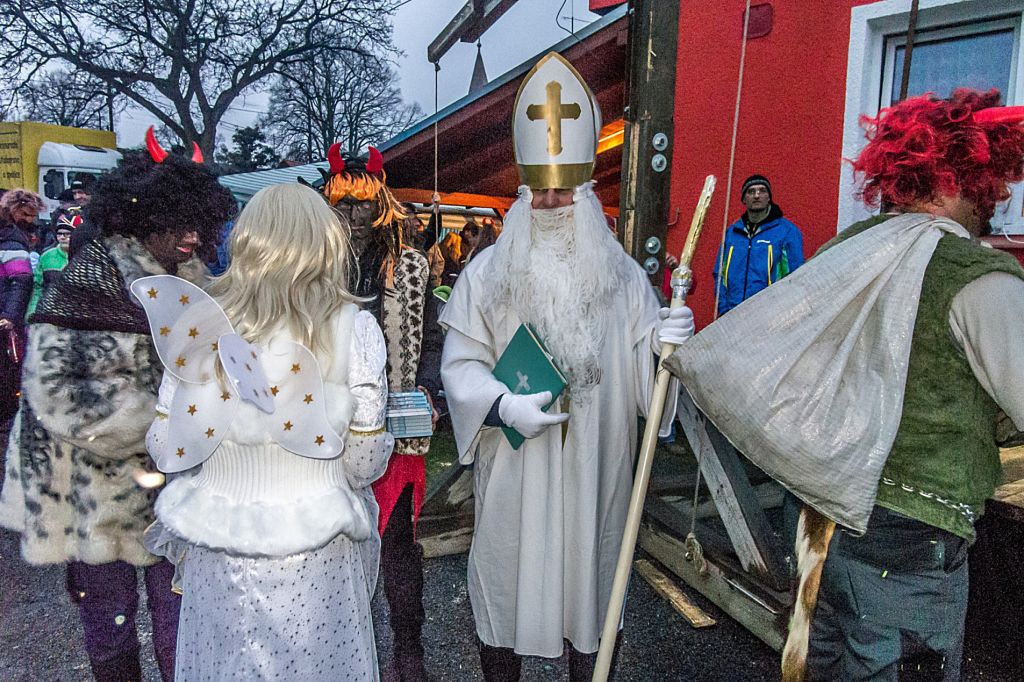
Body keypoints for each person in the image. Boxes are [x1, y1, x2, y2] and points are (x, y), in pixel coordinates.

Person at [438, 52, 694, 681]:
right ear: (523, 195)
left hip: (595, 468)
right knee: (504, 585)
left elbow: (648, 390)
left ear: (586, 195)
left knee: (593, 591)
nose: (552, 202)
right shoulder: (487, 275)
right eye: (540, 191)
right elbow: (460, 365)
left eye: (565, 191)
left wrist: (667, 347)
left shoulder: (625, 280)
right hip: (515, 471)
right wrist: (501, 405)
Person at [0, 138, 235, 681]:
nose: (193, 236)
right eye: (178, 223)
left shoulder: (194, 283)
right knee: (111, 623)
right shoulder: (90, 280)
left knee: (183, 615)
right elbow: (57, 396)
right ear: (143, 217)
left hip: (172, 484)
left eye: (198, 223)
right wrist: (167, 424)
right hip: (93, 490)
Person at [140, 182, 392, 680]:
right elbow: (363, 464)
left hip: (220, 547)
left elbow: (166, 445)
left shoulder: (198, 324)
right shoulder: (353, 328)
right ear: (324, 244)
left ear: (246, 242)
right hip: (315, 553)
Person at [321, 144, 439, 682]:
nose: (353, 215)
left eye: (362, 204)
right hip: (330, 432)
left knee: (397, 546)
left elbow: (431, 338)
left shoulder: (411, 267)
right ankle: (346, 655)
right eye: (342, 205)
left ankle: (408, 652)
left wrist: (430, 388)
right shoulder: (314, 270)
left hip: (396, 431)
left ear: (381, 205)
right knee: (337, 542)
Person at [713, 174, 804, 316]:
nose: (756, 195)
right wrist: (724, 310)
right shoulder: (732, 233)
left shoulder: (787, 232)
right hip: (732, 314)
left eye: (762, 190)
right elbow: (719, 274)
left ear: (769, 197)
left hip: (769, 315)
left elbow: (796, 276)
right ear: (744, 199)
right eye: (751, 191)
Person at [0, 189, 44, 420]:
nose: (30, 220)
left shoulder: (12, 239)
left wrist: (10, 315)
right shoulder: (12, 238)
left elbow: (21, 280)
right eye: (26, 214)